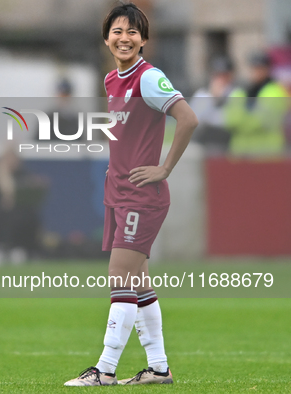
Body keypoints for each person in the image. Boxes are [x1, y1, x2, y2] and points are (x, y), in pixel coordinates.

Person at [64, 2, 198, 386]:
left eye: (133, 32)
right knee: (138, 282)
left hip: (142, 195)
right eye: (118, 32)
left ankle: (104, 371)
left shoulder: (149, 78)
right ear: (107, 38)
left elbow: (188, 117)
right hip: (118, 191)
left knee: (118, 277)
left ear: (144, 40)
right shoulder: (111, 81)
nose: (125, 38)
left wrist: (165, 167)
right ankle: (158, 368)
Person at [224, 52, 288, 156]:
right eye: (253, 68)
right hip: (241, 154)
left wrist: (242, 120)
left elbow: (262, 122)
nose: (256, 72)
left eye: (260, 68)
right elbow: (230, 120)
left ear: (268, 69)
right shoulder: (241, 91)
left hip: (267, 154)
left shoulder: (275, 91)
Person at [190, 56, 237, 154]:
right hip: (204, 145)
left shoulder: (236, 94)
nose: (221, 80)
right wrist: (213, 98)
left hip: (228, 146)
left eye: (224, 75)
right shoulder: (202, 94)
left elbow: (227, 121)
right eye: (217, 75)